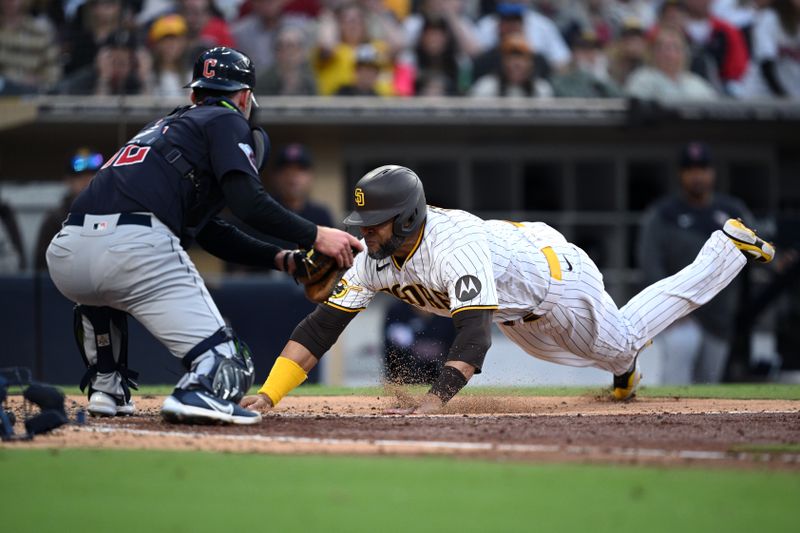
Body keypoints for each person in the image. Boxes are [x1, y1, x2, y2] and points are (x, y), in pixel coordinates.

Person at [240, 165, 775, 415]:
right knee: (581, 356)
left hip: (557, 281)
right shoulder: (373, 260)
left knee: (624, 341)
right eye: (362, 222)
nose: (363, 232)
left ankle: (726, 247)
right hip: (518, 310)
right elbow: (320, 328)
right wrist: (269, 394)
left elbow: (473, 340)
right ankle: (623, 368)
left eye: (374, 222)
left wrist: (434, 404)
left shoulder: (453, 246)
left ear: (406, 220)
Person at [45, 47, 362, 425]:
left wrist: (281, 259)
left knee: (98, 292)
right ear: (244, 98)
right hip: (133, 246)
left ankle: (106, 386)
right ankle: (197, 393)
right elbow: (249, 203)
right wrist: (316, 235)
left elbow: (208, 230)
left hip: (67, 254)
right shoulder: (225, 121)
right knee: (229, 362)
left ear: (193, 94)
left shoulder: (161, 132)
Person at [639, 142, 754, 384]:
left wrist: (778, 261)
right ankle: (664, 422)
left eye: (702, 168)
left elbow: (757, 247)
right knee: (677, 373)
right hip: (681, 314)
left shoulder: (731, 211)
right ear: (681, 174)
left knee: (709, 384)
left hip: (719, 315)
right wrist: (667, 308)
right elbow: (651, 264)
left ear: (712, 172)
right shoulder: (664, 214)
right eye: (690, 169)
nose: (697, 175)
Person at [35, 148, 104, 271]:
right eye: (81, 177)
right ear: (69, 181)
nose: (88, 181)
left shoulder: (112, 214)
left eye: (93, 175)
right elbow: (43, 267)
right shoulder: (55, 219)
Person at [625, 27, 718, 101]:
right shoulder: (641, 80)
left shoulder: (696, 83)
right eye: (665, 48)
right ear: (653, 53)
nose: (670, 54)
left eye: (676, 48)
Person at [469, 32, 553, 97]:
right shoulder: (486, 87)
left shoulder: (541, 88)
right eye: (511, 58)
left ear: (530, 64)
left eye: (522, 58)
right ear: (502, 62)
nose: (516, 63)